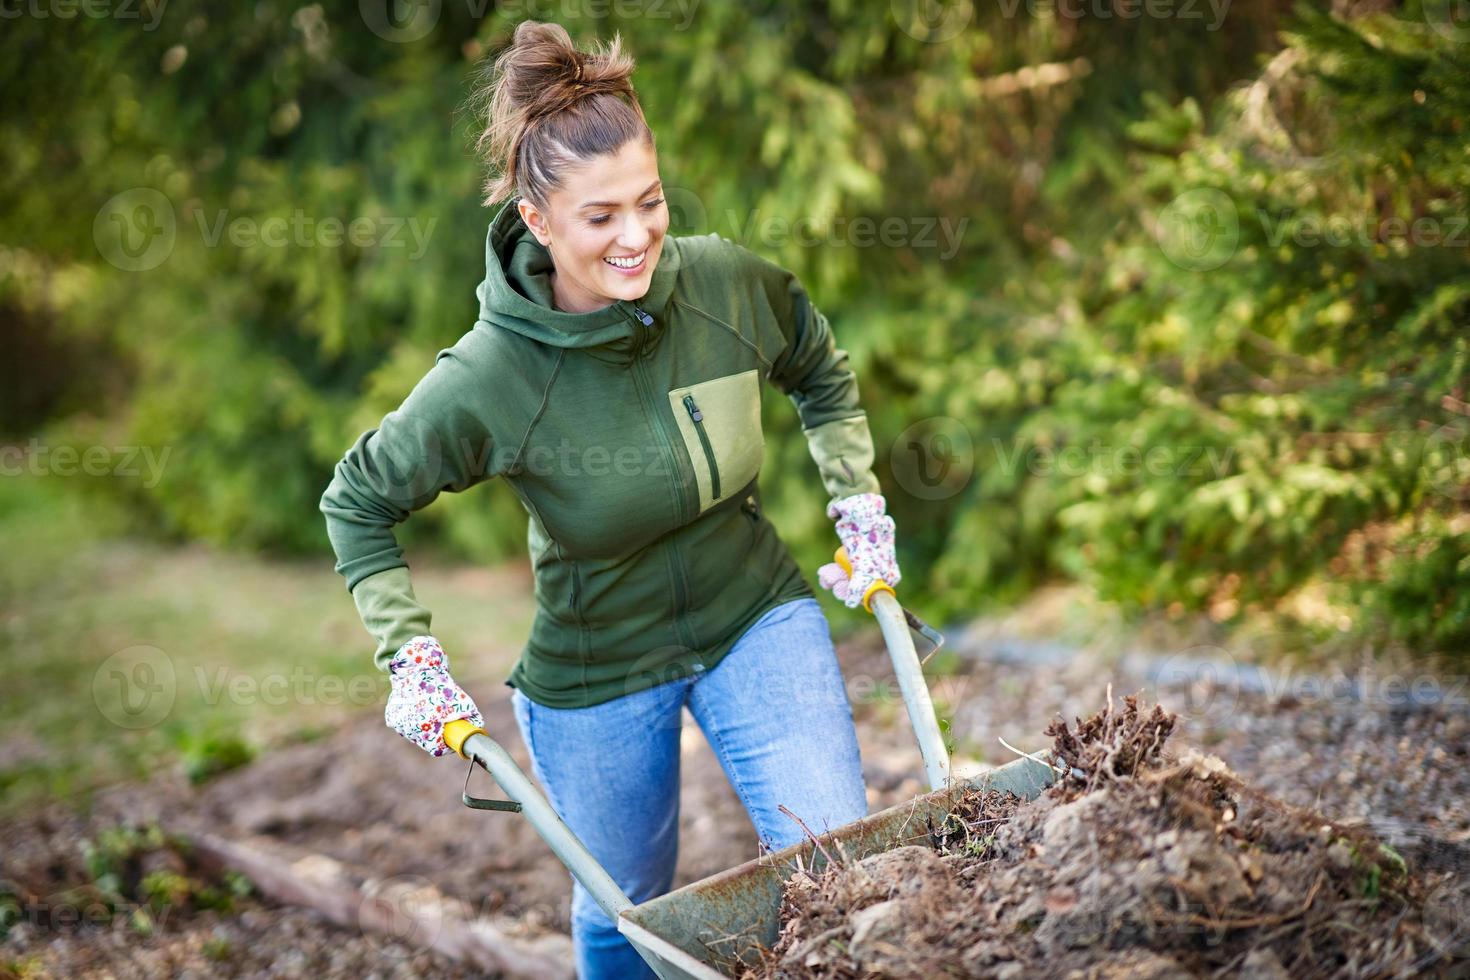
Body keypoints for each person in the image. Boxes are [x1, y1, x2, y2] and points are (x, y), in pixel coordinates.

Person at [318, 20, 901, 980]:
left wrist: (859, 505)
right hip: (600, 666)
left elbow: (820, 370)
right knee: (625, 910)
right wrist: (408, 651)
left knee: (843, 863)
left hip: (754, 610)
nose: (636, 237)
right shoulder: (491, 376)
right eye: (600, 218)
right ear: (538, 222)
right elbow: (357, 501)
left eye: (651, 202)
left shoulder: (721, 286)